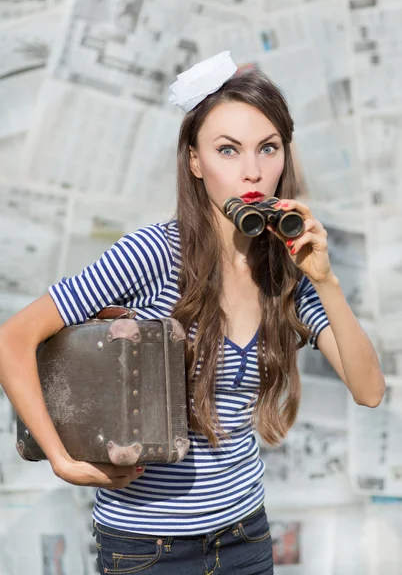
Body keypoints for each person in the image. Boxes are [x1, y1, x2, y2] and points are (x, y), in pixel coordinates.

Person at [0, 51, 385, 575]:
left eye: (267, 148)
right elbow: (14, 339)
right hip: (146, 547)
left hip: (245, 536)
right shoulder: (155, 253)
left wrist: (325, 280)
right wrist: (64, 462)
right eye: (228, 150)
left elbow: (369, 390)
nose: (252, 170)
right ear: (196, 162)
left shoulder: (286, 270)